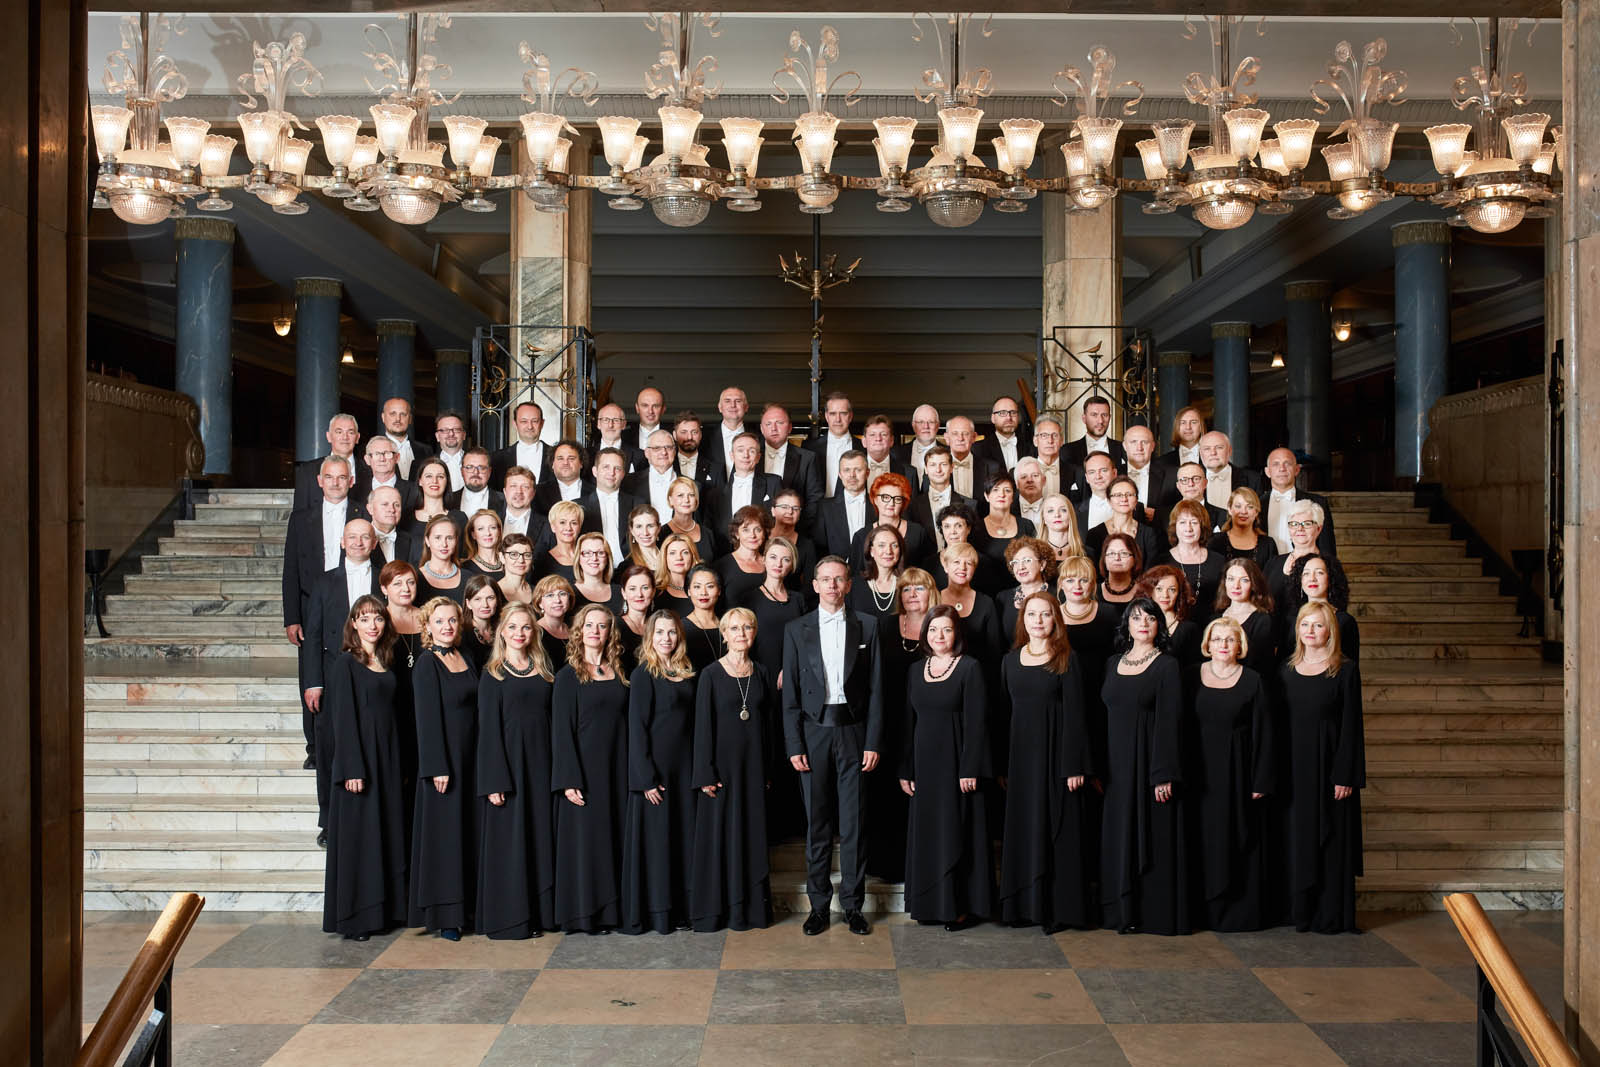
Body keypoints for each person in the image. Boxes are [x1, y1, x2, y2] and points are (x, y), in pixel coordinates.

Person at [782, 557, 885, 936]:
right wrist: (794, 743)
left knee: (854, 822)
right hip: (813, 733)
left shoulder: (868, 625)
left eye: (838, 579)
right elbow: (790, 695)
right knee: (818, 824)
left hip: (853, 732)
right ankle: (819, 906)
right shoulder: (796, 629)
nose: (832, 586)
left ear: (848, 584)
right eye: (825, 579)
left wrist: (872, 740)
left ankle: (853, 906)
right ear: (814, 585)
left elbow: (877, 690)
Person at [999, 591, 1095, 931]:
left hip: (1057, 759)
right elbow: (1003, 716)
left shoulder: (1067, 658)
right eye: (1031, 614)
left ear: (1055, 619)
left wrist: (1074, 765)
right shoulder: (1010, 661)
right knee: (1025, 829)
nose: (1038, 621)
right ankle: (1025, 907)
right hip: (1021, 761)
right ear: (1022, 620)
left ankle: (1058, 910)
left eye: (1045, 614)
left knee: (1058, 831)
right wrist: (1002, 767)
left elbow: (1077, 716)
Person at [901, 604, 994, 929]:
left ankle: (960, 907)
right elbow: (908, 723)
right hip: (925, 766)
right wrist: (906, 769)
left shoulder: (970, 668)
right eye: (933, 629)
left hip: (957, 765)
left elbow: (978, 723)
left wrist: (970, 768)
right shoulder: (916, 670)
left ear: (957, 634)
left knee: (957, 833)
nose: (939, 636)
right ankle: (929, 905)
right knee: (929, 834)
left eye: (947, 629)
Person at [1100, 597, 1188, 936]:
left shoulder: (1167, 666)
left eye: (1150, 619)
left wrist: (1163, 772)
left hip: (1149, 763)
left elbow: (1171, 721)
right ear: (1127, 624)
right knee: (1118, 836)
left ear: (1158, 626)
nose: (1143, 624)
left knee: (1151, 837)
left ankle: (1150, 914)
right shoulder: (1112, 663)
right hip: (1116, 767)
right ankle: (1120, 911)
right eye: (1136, 618)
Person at [323, 595, 407, 942]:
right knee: (361, 840)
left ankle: (385, 911)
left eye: (378, 618)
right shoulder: (346, 664)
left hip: (387, 758)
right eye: (365, 618)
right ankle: (358, 917)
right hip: (361, 762)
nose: (373, 625)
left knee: (384, 834)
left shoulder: (386, 661)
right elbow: (342, 720)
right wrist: (352, 769)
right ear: (353, 624)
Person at [1279, 601, 1365, 934]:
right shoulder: (1286, 670)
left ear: (1330, 631)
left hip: (1331, 768)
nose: (1310, 631)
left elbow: (1351, 727)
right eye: (1305, 625)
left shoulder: (1345, 670)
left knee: (1331, 840)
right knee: (1298, 839)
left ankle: (1331, 915)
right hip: (1294, 770)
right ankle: (1300, 912)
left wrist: (1346, 775)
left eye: (1318, 625)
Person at [475, 602, 559, 939]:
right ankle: (511, 919)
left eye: (525, 627)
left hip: (542, 766)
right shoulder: (492, 674)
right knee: (511, 843)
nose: (519, 633)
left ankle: (542, 915)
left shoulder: (545, 670)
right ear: (501, 632)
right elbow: (488, 731)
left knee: (540, 838)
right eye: (512, 627)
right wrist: (494, 780)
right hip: (508, 769)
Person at [1186, 616, 1274, 932]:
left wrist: (1260, 778)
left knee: (1237, 837)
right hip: (1198, 773)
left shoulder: (1253, 680)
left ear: (1240, 646)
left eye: (1230, 639)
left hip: (1238, 772)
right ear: (1207, 644)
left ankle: (1236, 914)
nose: (1223, 644)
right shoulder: (1189, 675)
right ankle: (1202, 911)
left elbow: (1265, 733)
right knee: (1201, 839)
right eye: (1217, 639)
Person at [691, 607, 776, 932]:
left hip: (753, 770)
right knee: (720, 839)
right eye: (735, 628)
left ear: (754, 633)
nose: (741, 634)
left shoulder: (762, 673)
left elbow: (768, 726)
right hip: (720, 773)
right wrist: (705, 773)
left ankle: (751, 911)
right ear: (724, 634)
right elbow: (702, 728)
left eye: (747, 628)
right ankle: (719, 912)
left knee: (752, 838)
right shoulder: (711, 675)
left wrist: (767, 771)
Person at [552, 604, 633, 933]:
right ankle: (586, 914)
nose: (595, 631)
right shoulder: (568, 676)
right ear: (579, 631)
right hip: (583, 772)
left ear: (610, 632)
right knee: (586, 843)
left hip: (616, 768)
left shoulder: (621, 672)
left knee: (614, 837)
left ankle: (614, 911)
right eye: (589, 625)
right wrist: (569, 779)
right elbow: (561, 731)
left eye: (602, 626)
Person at [302, 519, 383, 839]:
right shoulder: (324, 582)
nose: (358, 542)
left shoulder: (385, 578)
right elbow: (314, 635)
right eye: (352, 537)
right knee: (330, 748)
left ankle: (367, 818)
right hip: (334, 674)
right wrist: (314, 682)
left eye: (365, 537)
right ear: (342, 542)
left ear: (374, 543)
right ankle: (328, 820)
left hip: (374, 674)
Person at [284, 456, 364, 771]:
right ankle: (315, 747)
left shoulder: (363, 513)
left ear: (351, 481)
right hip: (311, 602)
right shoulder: (300, 519)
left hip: (352, 597)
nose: (335, 483)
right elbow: (290, 570)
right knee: (312, 672)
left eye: (341, 477)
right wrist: (292, 617)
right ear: (319, 481)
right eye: (329, 477)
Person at [621, 610, 698, 935]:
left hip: (684, 770)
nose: (666, 638)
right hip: (656, 774)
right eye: (660, 632)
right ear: (649, 637)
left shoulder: (686, 671)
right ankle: (658, 912)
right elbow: (637, 729)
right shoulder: (643, 674)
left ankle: (683, 910)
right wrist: (645, 778)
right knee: (658, 843)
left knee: (683, 839)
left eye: (671, 632)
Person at [409, 597, 480, 940]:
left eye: (452, 620)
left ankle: (469, 908)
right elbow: (426, 720)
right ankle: (446, 915)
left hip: (471, 759)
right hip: (444, 765)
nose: (447, 626)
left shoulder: (465, 656)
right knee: (445, 838)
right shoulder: (427, 663)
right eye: (439, 621)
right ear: (427, 626)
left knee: (467, 833)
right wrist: (437, 766)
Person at [380, 561, 424, 836]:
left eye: (410, 582)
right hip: (392, 713)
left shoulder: (429, 618)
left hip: (423, 712)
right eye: (397, 583)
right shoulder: (377, 621)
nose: (405, 588)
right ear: (384, 588)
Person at [707, 433, 780, 552]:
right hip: (725, 555)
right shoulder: (715, 495)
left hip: (763, 552)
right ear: (732, 455)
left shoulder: (774, 483)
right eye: (740, 450)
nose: (746, 455)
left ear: (758, 457)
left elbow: (778, 523)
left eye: (751, 451)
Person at [937, 542, 1003, 669]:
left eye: (968, 563)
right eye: (956, 562)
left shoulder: (986, 603)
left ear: (974, 569)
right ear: (946, 567)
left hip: (979, 672)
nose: (962, 567)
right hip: (940, 671)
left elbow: (995, 651)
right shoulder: (934, 599)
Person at [1284, 554, 1360, 661]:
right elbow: (1283, 663)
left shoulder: (1345, 621)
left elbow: (1350, 667)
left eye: (1319, 573)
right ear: (1300, 580)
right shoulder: (1291, 620)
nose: (1312, 578)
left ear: (1330, 578)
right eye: (1306, 573)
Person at [851, 472, 933, 570]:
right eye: (885, 497)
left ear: (903, 503)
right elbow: (855, 575)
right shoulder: (861, 536)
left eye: (897, 499)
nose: (891, 503)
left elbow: (927, 572)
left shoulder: (918, 533)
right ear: (875, 500)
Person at [1160, 499, 1227, 619]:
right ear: (1174, 527)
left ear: (1202, 527)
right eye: (1182, 522)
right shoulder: (1161, 561)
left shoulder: (1219, 561)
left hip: (1211, 625)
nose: (1188, 528)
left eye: (1194, 522)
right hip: (1173, 625)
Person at [1263, 447, 1337, 557]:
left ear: (1297, 469)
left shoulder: (1318, 503)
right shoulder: (1257, 505)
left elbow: (1327, 547)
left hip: (1306, 565)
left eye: (1287, 463)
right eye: (1276, 464)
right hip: (1267, 566)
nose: (1282, 468)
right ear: (1267, 471)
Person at [759, 404, 824, 526]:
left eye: (779, 423)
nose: (774, 428)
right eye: (768, 424)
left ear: (789, 427)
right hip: (757, 530)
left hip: (796, 529)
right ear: (762, 429)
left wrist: (796, 529)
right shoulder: (750, 457)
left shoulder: (808, 458)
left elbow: (814, 499)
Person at [1265, 499, 1332, 611]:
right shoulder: (1273, 563)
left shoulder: (1327, 564)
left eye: (1307, 524)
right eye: (1294, 524)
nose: (1300, 529)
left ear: (1319, 529)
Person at [294, 412, 368, 511]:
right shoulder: (307, 471)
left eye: (350, 432)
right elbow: (299, 515)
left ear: (357, 438)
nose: (345, 437)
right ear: (329, 436)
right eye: (339, 432)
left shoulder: (370, 470)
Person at [1214, 558, 1278, 674]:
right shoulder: (1215, 617)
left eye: (1244, 580)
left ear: (1253, 584)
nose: (1236, 586)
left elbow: (1264, 666)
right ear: (1225, 582)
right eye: (1231, 579)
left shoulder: (1262, 620)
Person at [1085, 475, 1161, 568]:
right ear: (1109, 500)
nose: (1124, 499)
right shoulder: (1094, 534)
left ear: (1136, 500)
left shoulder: (1149, 534)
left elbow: (1152, 571)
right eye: (1118, 495)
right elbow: (1092, 571)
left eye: (1129, 494)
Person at [1135, 565, 1201, 666]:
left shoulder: (1189, 629)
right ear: (1150, 591)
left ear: (1179, 593)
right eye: (1159, 589)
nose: (1165, 595)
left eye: (1172, 590)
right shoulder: (1136, 624)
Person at [819, 450, 875, 560]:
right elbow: (820, 546)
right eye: (846, 470)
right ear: (840, 474)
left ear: (867, 473)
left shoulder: (878, 504)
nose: (852, 475)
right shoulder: (825, 507)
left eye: (858, 470)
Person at [997, 536, 1055, 638]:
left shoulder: (1058, 595)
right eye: (1015, 562)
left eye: (1027, 560)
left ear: (1042, 564)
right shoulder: (1003, 598)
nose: (1021, 567)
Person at [802, 390, 857, 497]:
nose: (838, 419)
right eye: (833, 414)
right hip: (819, 507)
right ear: (827, 416)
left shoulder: (864, 447)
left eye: (843, 413)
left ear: (850, 416)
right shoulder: (809, 448)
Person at [910, 445, 968, 544]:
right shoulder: (912, 506)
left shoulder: (969, 505)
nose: (938, 470)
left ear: (951, 468)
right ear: (926, 469)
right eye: (933, 465)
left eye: (943, 464)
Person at [405, 457, 467, 549]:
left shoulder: (459, 518)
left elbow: (464, 554)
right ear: (420, 481)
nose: (434, 481)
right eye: (429, 476)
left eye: (440, 477)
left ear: (447, 482)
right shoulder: (406, 517)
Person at [974, 471, 1035, 564]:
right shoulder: (976, 528)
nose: (1002, 495)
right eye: (995, 490)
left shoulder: (1027, 525)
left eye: (1007, 490)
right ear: (986, 496)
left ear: (1013, 496)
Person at [716, 506, 772, 606]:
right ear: (736, 533)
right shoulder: (721, 566)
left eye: (758, 529)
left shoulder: (772, 564)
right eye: (746, 530)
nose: (752, 535)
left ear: (764, 533)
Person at [491, 401, 552, 490]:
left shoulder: (556, 456)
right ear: (515, 424)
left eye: (534, 421)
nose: (530, 426)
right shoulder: (497, 458)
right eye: (524, 421)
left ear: (542, 423)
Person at [624, 429, 682, 522]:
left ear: (674, 451)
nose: (663, 452)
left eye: (668, 447)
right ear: (647, 453)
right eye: (657, 448)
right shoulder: (628, 483)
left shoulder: (692, 485)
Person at [851, 524, 905, 623]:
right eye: (881, 545)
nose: (888, 551)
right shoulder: (853, 586)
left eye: (894, 545)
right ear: (871, 551)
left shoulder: (908, 585)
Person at [1210, 487, 1275, 569]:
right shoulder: (1215, 541)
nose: (1244, 511)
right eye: (1238, 506)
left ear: (1256, 512)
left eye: (1250, 507)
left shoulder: (1268, 545)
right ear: (1230, 509)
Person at [1157, 462, 1228, 536]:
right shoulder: (1163, 516)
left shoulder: (1224, 516)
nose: (1191, 484)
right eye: (1184, 480)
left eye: (1196, 479)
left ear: (1205, 483)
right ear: (1178, 486)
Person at [1199, 431, 1262, 509]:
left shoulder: (1252, 479)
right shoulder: (1190, 480)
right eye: (1207, 449)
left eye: (1219, 447)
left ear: (1229, 451)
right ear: (1201, 454)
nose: (1213, 453)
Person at [1121, 424, 1171, 523]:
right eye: (1133, 442)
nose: (1139, 448)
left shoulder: (1170, 474)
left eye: (1144, 442)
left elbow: (1180, 507)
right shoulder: (1113, 474)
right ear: (1124, 446)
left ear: (1153, 446)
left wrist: (1158, 515)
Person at [944, 415, 1000, 501]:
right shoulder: (935, 467)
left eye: (966, 433)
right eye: (955, 433)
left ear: (974, 437)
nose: (960, 438)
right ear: (947, 438)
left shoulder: (992, 468)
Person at [769, 488, 819, 583]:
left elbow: (809, 583)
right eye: (784, 507)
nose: (790, 512)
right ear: (773, 511)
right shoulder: (760, 538)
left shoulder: (807, 545)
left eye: (795, 508)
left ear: (799, 514)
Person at [615, 563, 658, 673]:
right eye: (632, 589)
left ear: (653, 591)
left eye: (645, 588)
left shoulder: (658, 626)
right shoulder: (615, 626)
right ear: (624, 593)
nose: (639, 594)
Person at [682, 564, 725, 674]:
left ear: (719, 590)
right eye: (697, 587)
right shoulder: (681, 628)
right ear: (689, 591)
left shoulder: (728, 625)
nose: (703, 593)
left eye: (710, 586)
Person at [973, 394, 1033, 472]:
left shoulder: (1031, 446)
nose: (1009, 417)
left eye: (1013, 412)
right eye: (1002, 413)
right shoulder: (979, 449)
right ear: (993, 418)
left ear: (1018, 417)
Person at [701, 385, 751, 478]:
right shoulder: (704, 438)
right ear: (720, 407)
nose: (733, 405)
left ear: (746, 407)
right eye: (727, 401)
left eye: (738, 401)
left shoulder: (760, 438)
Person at [1064, 395, 1125, 469]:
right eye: (1094, 415)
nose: (1100, 421)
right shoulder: (1068, 450)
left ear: (1110, 417)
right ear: (1084, 418)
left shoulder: (1123, 448)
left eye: (1104, 415)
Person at [379, 396, 433, 481]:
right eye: (393, 414)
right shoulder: (369, 450)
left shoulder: (426, 451)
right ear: (383, 417)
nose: (398, 419)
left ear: (410, 418)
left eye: (403, 414)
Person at [664, 476, 716, 563]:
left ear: (696, 500)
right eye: (680, 495)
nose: (686, 500)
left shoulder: (708, 534)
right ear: (671, 500)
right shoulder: (662, 533)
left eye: (691, 495)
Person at [417, 514, 466, 603]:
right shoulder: (415, 578)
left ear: (456, 541)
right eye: (438, 538)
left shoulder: (468, 578)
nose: (444, 544)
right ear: (427, 541)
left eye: (449, 538)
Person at [534, 440, 592, 512]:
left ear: (581, 463)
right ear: (552, 464)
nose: (565, 463)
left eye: (571, 458)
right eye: (560, 458)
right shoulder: (537, 492)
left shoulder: (595, 491)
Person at [461, 574, 504, 670]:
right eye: (478, 599)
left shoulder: (504, 629)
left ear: (497, 600)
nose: (485, 605)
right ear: (468, 603)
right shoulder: (461, 634)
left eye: (490, 598)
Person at [534, 500, 584, 583]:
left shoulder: (590, 556)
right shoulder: (543, 561)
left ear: (579, 527)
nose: (568, 528)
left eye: (574, 523)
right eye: (562, 522)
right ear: (553, 527)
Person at [572, 531, 622, 613]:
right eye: (587, 553)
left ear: (607, 559)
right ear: (578, 559)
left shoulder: (620, 592)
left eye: (600, 553)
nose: (594, 558)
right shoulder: (570, 594)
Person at [532, 575, 575, 670]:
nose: (557, 600)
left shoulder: (575, 629)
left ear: (569, 599)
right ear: (540, 603)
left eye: (562, 594)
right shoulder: (534, 632)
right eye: (550, 595)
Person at [862, 414, 917, 486]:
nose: (878, 438)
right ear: (864, 441)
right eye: (872, 435)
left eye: (884, 434)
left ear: (891, 440)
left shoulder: (909, 472)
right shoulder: (850, 470)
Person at [672, 410, 721, 490]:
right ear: (674, 435)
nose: (689, 437)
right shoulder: (668, 466)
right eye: (684, 432)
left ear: (700, 435)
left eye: (694, 432)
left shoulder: (716, 469)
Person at [366, 485, 414, 567]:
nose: (392, 510)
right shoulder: (359, 541)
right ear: (370, 509)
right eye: (385, 504)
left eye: (397, 505)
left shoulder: (412, 541)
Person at [1097, 532, 1142, 619]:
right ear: (1104, 559)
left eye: (1124, 553)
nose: (1117, 558)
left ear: (1135, 559)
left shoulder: (1145, 593)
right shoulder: (1092, 593)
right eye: (1111, 553)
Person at [653, 533, 699, 617]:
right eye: (672, 553)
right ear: (665, 558)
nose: (679, 558)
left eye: (685, 552)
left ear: (693, 557)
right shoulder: (655, 591)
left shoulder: (701, 589)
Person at [1156, 405, 1206, 480]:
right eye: (1183, 423)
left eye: (1193, 422)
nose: (1188, 427)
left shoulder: (1213, 459)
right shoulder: (1162, 463)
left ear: (1201, 427)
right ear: (1177, 427)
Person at [1031, 416, 1074, 501]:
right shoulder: (1019, 473)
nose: (1050, 441)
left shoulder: (1077, 473)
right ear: (1035, 441)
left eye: (1055, 435)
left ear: (1061, 441)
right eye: (1044, 435)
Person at [363, 436, 412, 511]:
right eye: (376, 454)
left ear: (397, 457)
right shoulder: (355, 491)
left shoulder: (413, 491)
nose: (382, 459)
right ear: (367, 460)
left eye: (387, 453)